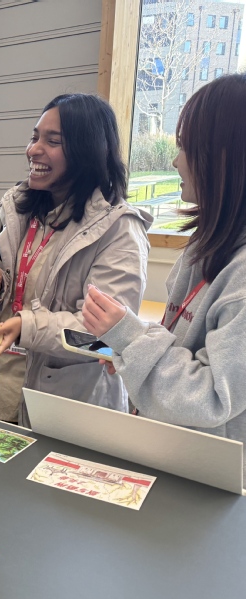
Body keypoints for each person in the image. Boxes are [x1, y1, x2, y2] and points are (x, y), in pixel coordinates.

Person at [83, 74, 246, 473]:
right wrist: (133, 353)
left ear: (224, 157)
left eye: (185, 148)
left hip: (209, 476)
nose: (176, 162)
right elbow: (181, 347)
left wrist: (131, 339)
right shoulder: (208, 245)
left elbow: (212, 398)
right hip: (175, 455)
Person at [0, 93, 151, 425]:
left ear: (86, 151)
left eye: (52, 141)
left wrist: (28, 326)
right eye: (34, 137)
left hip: (70, 406)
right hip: (1, 380)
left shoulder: (119, 229)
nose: (33, 150)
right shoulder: (15, 204)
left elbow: (103, 340)